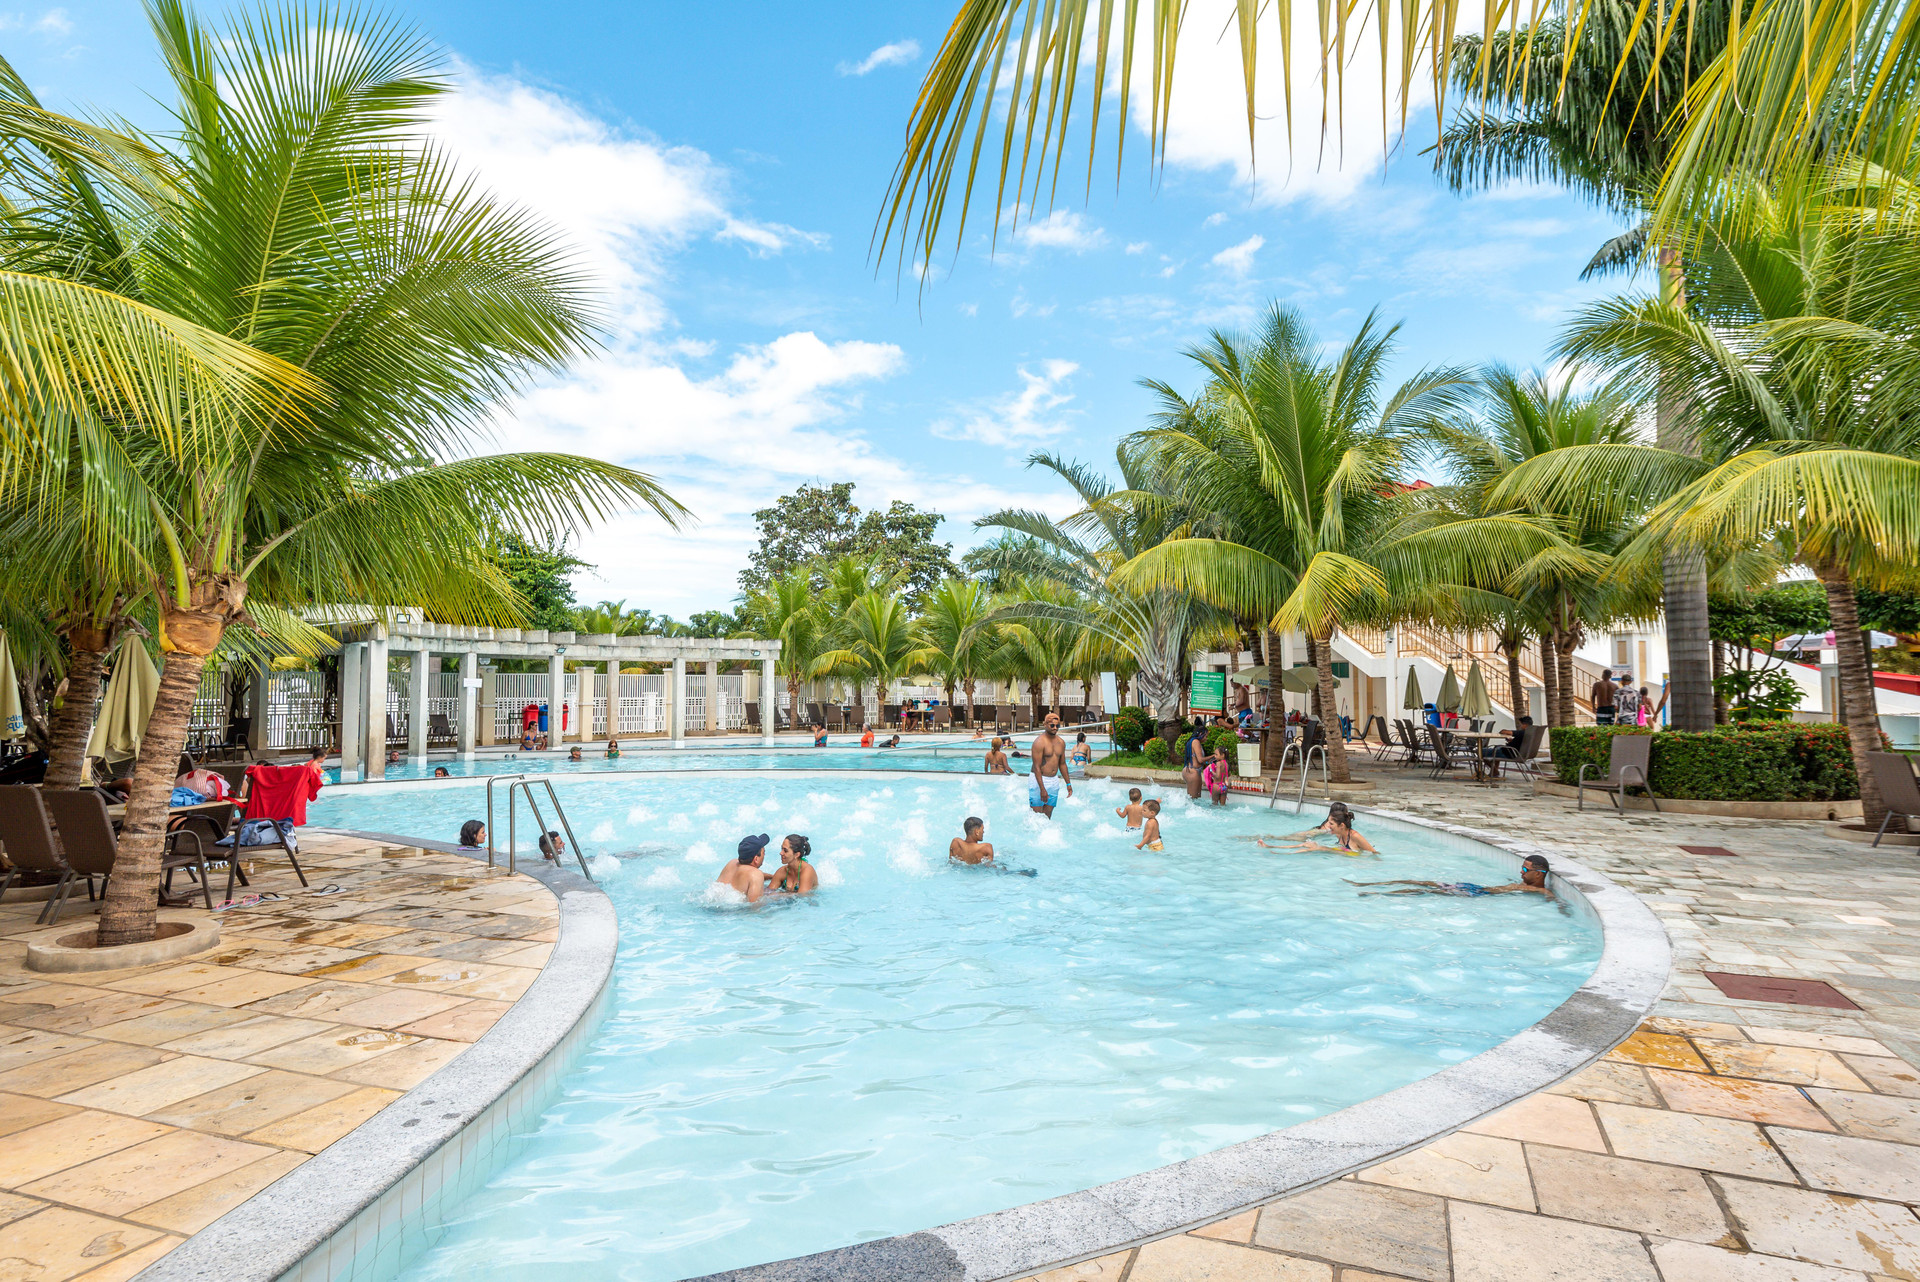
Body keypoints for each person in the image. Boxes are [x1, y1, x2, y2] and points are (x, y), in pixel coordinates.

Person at [1348, 854, 1555, 898]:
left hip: (1477, 894)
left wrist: (1561, 906)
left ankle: (1378, 893)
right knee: (1421, 883)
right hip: (1474, 887)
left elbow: (1551, 897)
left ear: (1539, 874)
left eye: (1525, 870)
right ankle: (1368, 883)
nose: (1521, 871)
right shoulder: (1521, 884)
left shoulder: (1540, 890)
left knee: (1423, 891)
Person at [1260, 808, 1376, 854]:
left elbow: (1374, 853)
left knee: (1316, 847)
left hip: (1353, 858)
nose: (1328, 826)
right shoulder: (1339, 833)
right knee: (1307, 844)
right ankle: (1271, 847)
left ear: (1341, 825)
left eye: (1331, 824)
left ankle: (1281, 854)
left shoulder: (1355, 836)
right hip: (1342, 853)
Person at [1029, 712, 1072, 817]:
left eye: (1057, 726)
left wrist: (1068, 784)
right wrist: (1042, 788)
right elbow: (1036, 767)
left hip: (1053, 781)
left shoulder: (1061, 742)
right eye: (1052, 725)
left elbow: (1062, 764)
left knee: (1048, 815)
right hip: (1038, 780)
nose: (1055, 728)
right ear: (1045, 725)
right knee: (1036, 816)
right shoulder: (1039, 742)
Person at [715, 833, 770, 902]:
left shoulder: (732, 863)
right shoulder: (756, 874)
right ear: (756, 859)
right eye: (763, 852)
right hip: (735, 911)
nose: (764, 855)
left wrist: (772, 877)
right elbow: (755, 908)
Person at [1181, 721, 1207, 799]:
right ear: (1200, 734)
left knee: (1196, 798)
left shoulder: (1192, 741)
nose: (1206, 738)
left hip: (1192, 771)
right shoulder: (1195, 742)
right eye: (1205, 736)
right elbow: (1200, 759)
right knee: (1193, 799)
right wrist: (1213, 756)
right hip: (1193, 772)